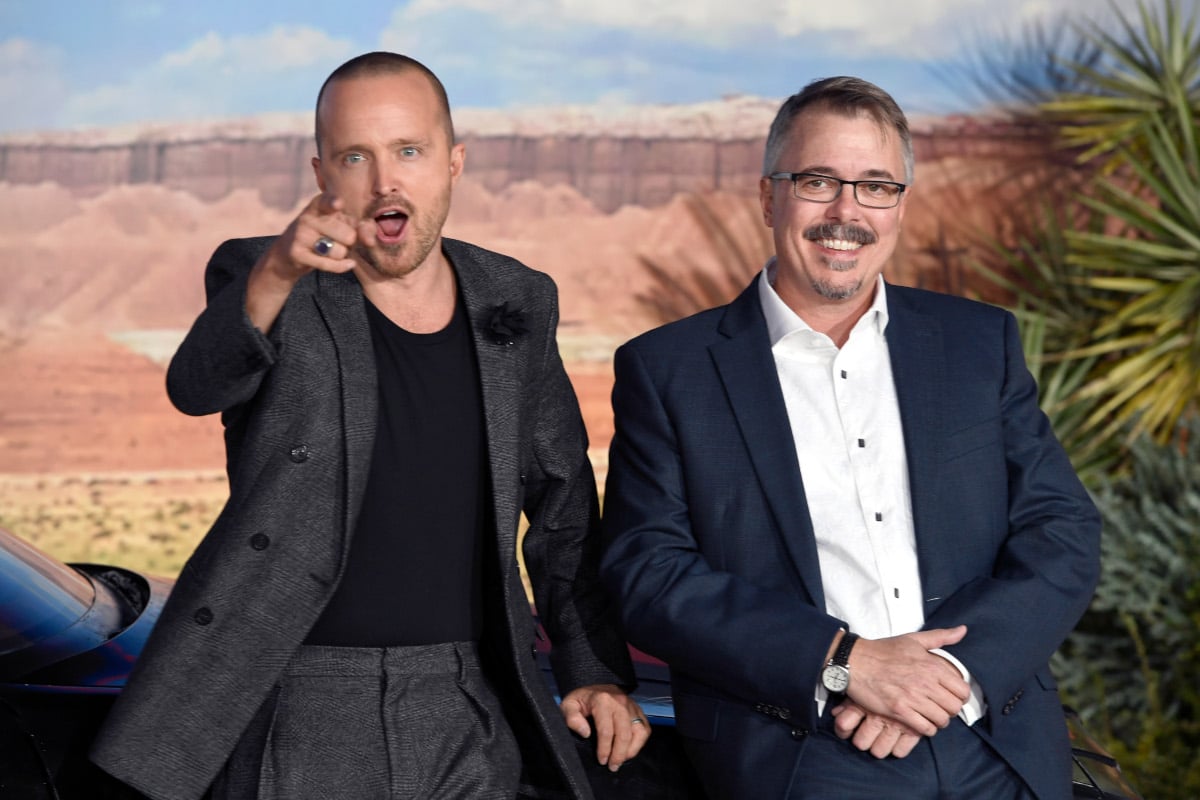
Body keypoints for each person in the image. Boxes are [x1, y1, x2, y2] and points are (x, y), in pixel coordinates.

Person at [91, 51, 648, 800]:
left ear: (454, 163)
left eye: (409, 151)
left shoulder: (516, 296)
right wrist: (276, 277)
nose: (386, 182)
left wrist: (592, 669)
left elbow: (562, 505)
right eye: (357, 157)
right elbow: (197, 386)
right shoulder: (265, 277)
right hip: (303, 696)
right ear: (323, 175)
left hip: (468, 695)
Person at [599, 76, 1100, 800]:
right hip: (808, 753)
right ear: (770, 196)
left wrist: (948, 679)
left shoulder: (977, 342)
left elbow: (1063, 528)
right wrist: (844, 663)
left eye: (875, 186)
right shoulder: (669, 370)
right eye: (818, 181)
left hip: (995, 743)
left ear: (900, 204)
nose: (846, 212)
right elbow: (649, 573)